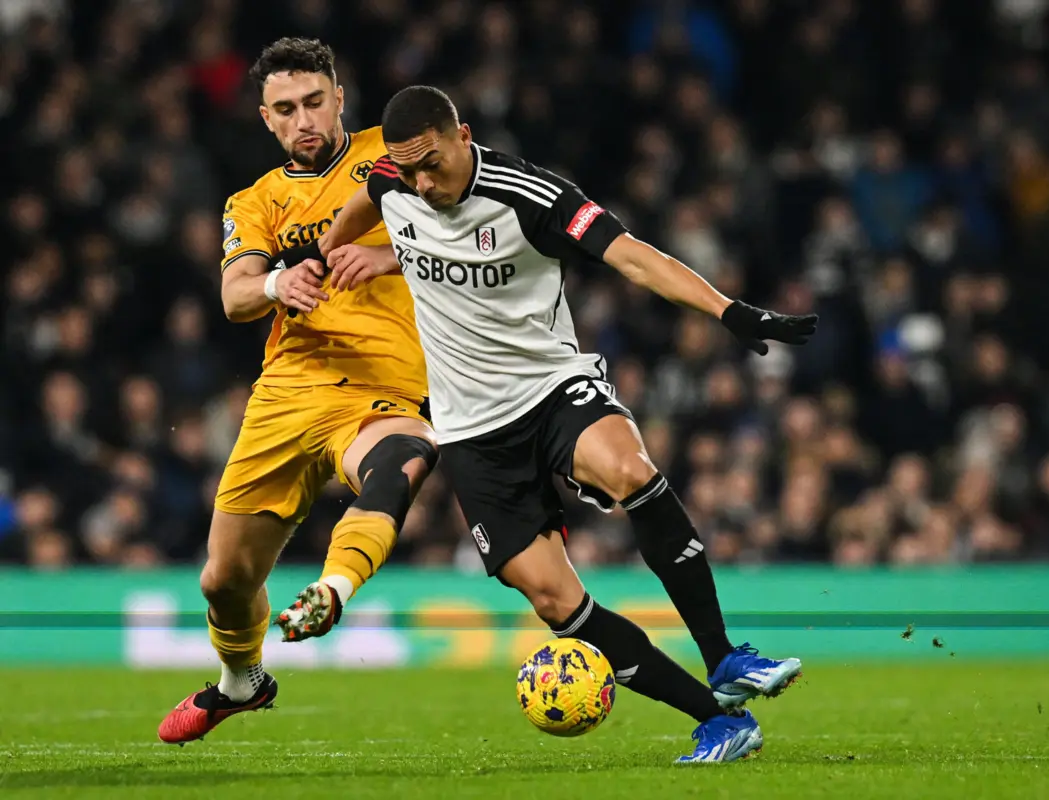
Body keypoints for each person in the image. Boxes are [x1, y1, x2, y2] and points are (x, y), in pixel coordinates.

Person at [313, 86, 818, 763]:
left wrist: (729, 312)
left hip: (549, 387)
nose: (421, 183)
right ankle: (718, 721)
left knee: (630, 469)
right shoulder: (392, 179)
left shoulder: (531, 196)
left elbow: (635, 256)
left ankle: (723, 655)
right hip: (468, 431)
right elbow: (361, 211)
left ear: (463, 134)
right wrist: (349, 257)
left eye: (432, 164)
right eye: (408, 171)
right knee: (556, 601)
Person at [157, 40, 438, 745]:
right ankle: (241, 683)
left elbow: (474, 218)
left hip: (381, 385)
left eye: (315, 102)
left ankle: (333, 587)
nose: (304, 119)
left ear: (340, 98)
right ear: (266, 118)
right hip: (286, 393)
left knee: (402, 456)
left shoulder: (391, 151)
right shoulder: (255, 202)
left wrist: (383, 257)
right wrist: (280, 283)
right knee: (223, 580)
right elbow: (234, 295)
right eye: (286, 109)